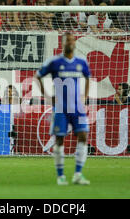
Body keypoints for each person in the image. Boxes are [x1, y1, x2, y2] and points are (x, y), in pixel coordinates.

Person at [35, 32, 91, 186]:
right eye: (67, 41)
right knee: (59, 140)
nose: (70, 43)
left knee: (83, 136)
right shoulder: (54, 61)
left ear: (75, 43)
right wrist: (47, 96)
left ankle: (78, 174)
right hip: (60, 107)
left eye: (72, 40)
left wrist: (85, 97)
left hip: (77, 107)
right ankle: (60, 176)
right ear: (63, 43)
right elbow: (38, 76)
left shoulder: (81, 62)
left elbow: (88, 78)